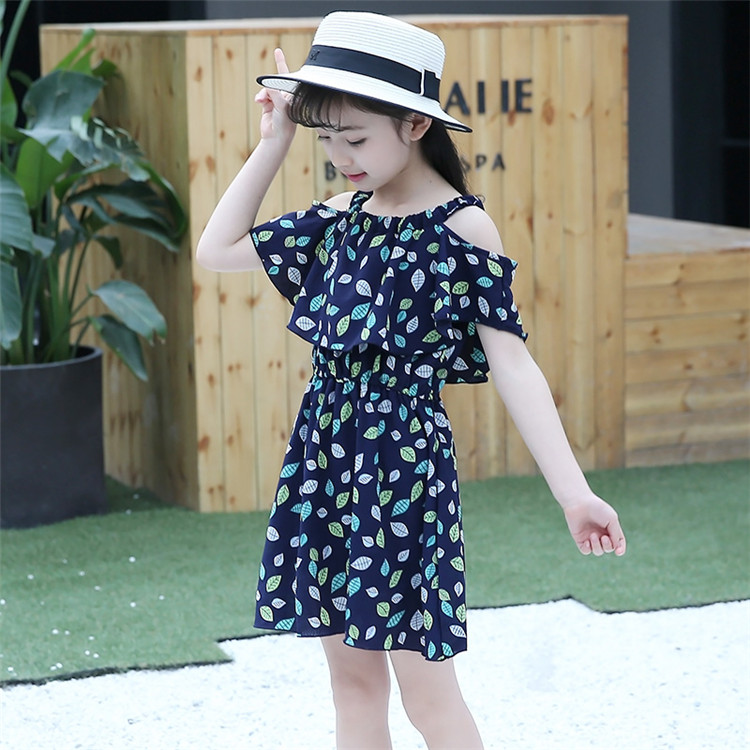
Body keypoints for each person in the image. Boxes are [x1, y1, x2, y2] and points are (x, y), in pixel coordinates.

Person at [197, 11, 626, 750]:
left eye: (355, 138)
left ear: (416, 124)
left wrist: (573, 493)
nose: (340, 157)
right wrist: (275, 141)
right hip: (324, 464)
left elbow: (513, 364)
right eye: (328, 139)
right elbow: (217, 248)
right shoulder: (339, 219)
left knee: (429, 695)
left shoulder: (463, 229)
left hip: (402, 470)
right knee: (352, 688)